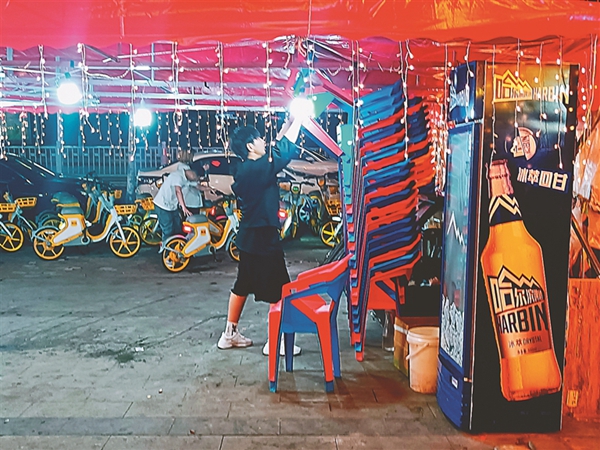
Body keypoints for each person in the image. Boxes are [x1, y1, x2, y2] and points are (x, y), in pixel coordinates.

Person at [217, 113, 304, 353]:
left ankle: (229, 335)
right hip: (263, 238)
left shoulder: (249, 168)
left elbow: (274, 150)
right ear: (249, 146)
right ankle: (276, 342)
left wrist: (287, 125)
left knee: (242, 285)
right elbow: (283, 152)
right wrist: (299, 120)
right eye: (258, 139)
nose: (263, 141)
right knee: (281, 289)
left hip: (249, 237)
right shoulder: (256, 169)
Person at [153, 165, 199, 249]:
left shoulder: (186, 179)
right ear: (192, 173)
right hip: (162, 205)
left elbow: (197, 186)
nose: (195, 179)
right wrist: (184, 207)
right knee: (168, 230)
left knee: (178, 228)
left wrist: (210, 189)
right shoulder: (177, 176)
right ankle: (166, 250)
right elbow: (178, 191)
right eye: (195, 177)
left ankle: (176, 248)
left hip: (172, 206)